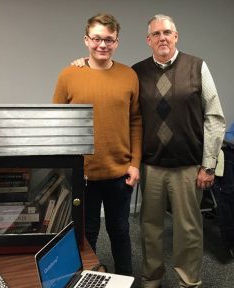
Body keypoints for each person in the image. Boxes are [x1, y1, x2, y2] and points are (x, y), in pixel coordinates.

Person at [131, 14, 226, 288]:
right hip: (152, 166)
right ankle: (152, 280)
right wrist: (83, 63)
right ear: (148, 40)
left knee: (188, 230)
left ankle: (188, 282)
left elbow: (215, 117)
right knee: (150, 229)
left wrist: (208, 165)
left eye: (167, 32)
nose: (162, 37)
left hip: (188, 167)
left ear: (176, 36)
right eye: (156, 34)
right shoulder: (137, 72)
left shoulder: (197, 67)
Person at [52, 13, 142, 276]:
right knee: (86, 234)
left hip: (120, 174)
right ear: (86, 40)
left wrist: (135, 163)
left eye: (109, 39)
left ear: (117, 42)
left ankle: (126, 280)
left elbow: (136, 121)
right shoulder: (69, 75)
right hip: (83, 175)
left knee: (120, 232)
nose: (102, 45)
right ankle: (88, 279)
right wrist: (64, 168)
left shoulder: (129, 75)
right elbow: (57, 125)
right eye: (97, 38)